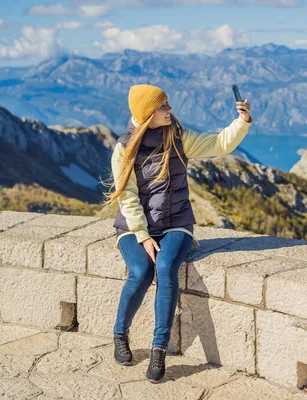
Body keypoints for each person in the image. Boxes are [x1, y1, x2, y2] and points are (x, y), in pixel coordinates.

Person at [101, 84, 252, 383]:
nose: (170, 110)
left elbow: (219, 144)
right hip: (134, 227)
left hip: (176, 223)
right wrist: (143, 235)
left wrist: (242, 122)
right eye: (163, 107)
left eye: (167, 104)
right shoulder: (124, 148)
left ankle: (159, 349)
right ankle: (120, 333)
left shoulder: (178, 137)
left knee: (167, 266)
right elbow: (127, 196)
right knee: (141, 271)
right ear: (147, 115)